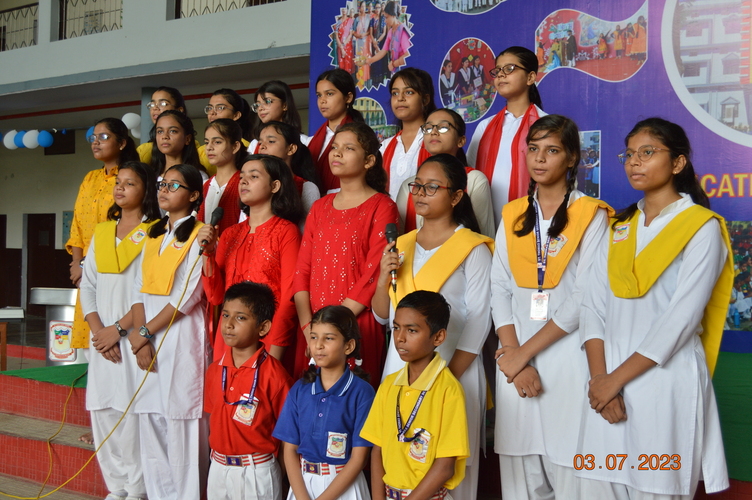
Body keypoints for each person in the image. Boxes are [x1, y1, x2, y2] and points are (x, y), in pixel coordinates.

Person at [577, 118, 732, 498]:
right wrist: (600, 380)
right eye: (629, 154)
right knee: (598, 489)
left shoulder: (701, 227)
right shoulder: (619, 228)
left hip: (663, 382)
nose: (634, 162)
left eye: (647, 153)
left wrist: (614, 381)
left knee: (657, 489)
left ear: (678, 163)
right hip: (605, 385)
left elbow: (681, 320)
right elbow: (592, 307)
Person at [490, 115, 612, 500]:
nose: (540, 158)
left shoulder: (591, 214)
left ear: (572, 157)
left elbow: (586, 296)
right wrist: (513, 354)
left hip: (568, 357)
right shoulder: (512, 214)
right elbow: (499, 289)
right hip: (515, 363)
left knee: (572, 470)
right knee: (520, 478)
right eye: (533, 149)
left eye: (552, 150)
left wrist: (521, 355)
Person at [373, 154, 493, 500]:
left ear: (456, 196)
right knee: (396, 456)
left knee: (448, 468)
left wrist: (439, 382)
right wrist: (382, 277)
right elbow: (383, 316)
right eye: (417, 186)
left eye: (432, 187)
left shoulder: (472, 248)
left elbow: (479, 321)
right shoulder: (401, 245)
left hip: (453, 371)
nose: (421, 194)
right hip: (400, 369)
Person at [293, 122, 400, 385]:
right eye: (334, 147)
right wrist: (309, 329)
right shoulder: (319, 207)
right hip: (313, 328)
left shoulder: (382, 206)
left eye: (349, 148)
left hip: (355, 324)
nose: (337, 153)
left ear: (369, 161)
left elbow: (374, 274)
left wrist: (332, 327)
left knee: (354, 400)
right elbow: (302, 271)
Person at [79, 160, 161, 500]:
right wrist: (99, 331)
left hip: (135, 335)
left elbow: (148, 290)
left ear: (146, 190)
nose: (121, 188)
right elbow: (88, 286)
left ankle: (137, 488)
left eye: (130, 183)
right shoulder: (102, 232)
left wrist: (118, 330)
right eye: (119, 182)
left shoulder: (155, 231)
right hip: (102, 339)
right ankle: (116, 488)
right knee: (103, 409)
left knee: (133, 411)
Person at [130, 163, 208, 500]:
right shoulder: (154, 234)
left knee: (181, 423)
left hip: (180, 336)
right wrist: (141, 339)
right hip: (148, 335)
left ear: (193, 196)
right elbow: (137, 289)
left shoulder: (200, 234)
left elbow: (188, 296)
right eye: (162, 183)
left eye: (174, 185)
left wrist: (144, 333)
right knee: (151, 420)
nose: (164, 189)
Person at [360, 291, 470, 500]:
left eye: (412, 330)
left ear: (438, 337)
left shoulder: (449, 390)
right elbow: (377, 450)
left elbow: (445, 467)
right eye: (396, 328)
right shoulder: (389, 385)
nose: (400, 338)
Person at [200, 154, 302, 366]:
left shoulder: (286, 232)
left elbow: (289, 298)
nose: (244, 181)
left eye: (253, 176)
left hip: (267, 339)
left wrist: (274, 352)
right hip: (228, 338)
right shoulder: (229, 234)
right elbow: (216, 296)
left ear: (275, 186)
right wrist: (208, 254)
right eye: (242, 177)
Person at [204, 281, 294, 500]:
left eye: (241, 318)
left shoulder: (275, 375)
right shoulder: (214, 370)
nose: (228, 324)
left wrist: (280, 475)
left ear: (263, 328)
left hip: (257, 471)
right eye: (226, 315)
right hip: (218, 468)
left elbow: (289, 433)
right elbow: (213, 417)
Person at [274, 305, 375, 500]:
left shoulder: (362, 392)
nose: (318, 345)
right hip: (303, 485)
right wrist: (302, 497)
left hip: (345, 487)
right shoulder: (299, 389)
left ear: (349, 346)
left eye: (328, 338)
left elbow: (359, 458)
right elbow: (290, 450)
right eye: (314, 337)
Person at [67, 117, 140, 353]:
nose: (96, 142)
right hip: (85, 269)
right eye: (93, 137)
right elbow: (77, 225)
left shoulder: (131, 177)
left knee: (118, 333)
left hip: (118, 262)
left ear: (122, 143)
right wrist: (77, 263)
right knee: (92, 339)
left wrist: (86, 264)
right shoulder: (90, 178)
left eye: (104, 137)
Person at [467, 46, 546, 229]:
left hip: (532, 223)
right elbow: (471, 177)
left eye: (509, 68)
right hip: (486, 225)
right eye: (497, 70)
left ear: (530, 77)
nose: (501, 75)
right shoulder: (485, 127)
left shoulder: (546, 125)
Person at [396, 109, 495, 237]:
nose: (434, 132)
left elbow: (485, 235)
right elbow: (399, 240)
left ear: (461, 141)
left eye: (443, 128)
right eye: (428, 128)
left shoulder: (474, 179)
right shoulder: (409, 185)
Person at [379, 67, 436, 199]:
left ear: (425, 99)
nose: (400, 98)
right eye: (395, 93)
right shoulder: (384, 147)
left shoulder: (436, 141)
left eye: (409, 92)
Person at [309, 69, 365, 194]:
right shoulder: (315, 138)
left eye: (329, 94)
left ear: (348, 97)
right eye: (319, 95)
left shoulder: (359, 137)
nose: (322, 100)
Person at [138, 87, 214, 175]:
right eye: (160, 131)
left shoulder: (197, 174)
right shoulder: (150, 174)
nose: (155, 108)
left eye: (163, 103)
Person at [257, 121, 322, 219]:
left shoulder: (306, 188)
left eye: (271, 141)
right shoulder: (255, 183)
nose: (262, 146)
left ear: (291, 149)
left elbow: (309, 226)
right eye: (260, 142)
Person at [196, 119, 245, 237]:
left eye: (217, 142)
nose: (209, 147)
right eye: (206, 142)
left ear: (235, 146)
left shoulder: (244, 184)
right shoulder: (204, 185)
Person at [248, 80, 307, 154]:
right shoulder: (255, 144)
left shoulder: (303, 141)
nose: (260, 108)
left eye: (267, 102)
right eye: (257, 104)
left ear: (285, 105)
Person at [198, 88, 253, 167]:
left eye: (220, 108)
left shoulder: (248, 148)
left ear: (236, 115)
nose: (212, 112)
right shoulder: (200, 152)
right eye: (210, 108)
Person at [150, 110, 207, 180]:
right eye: (160, 131)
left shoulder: (198, 176)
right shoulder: (149, 176)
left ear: (187, 139)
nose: (164, 136)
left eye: (173, 131)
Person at [364, 1, 410, 74]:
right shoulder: (391, 31)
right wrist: (369, 60)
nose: (385, 21)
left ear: (393, 15)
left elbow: (408, 55)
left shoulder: (402, 30)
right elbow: (383, 51)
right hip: (395, 71)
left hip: (405, 71)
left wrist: (394, 64)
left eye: (386, 17)